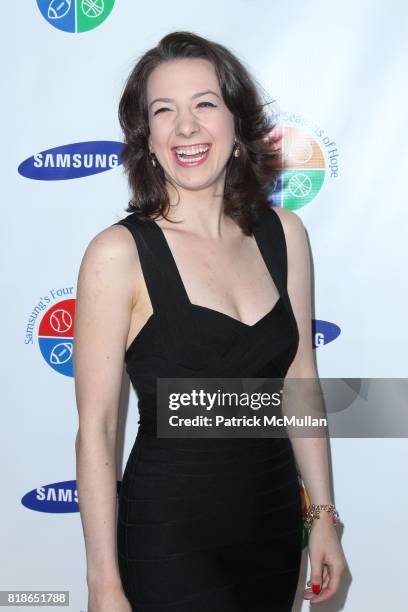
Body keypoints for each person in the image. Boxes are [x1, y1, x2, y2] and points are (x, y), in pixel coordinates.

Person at [74, 31, 347, 612]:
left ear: (235, 123)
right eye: (163, 111)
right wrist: (103, 583)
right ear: (147, 138)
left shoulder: (284, 235)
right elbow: (97, 427)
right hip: (169, 541)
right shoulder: (117, 255)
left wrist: (321, 516)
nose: (187, 127)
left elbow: (300, 381)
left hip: (273, 526)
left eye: (204, 104)